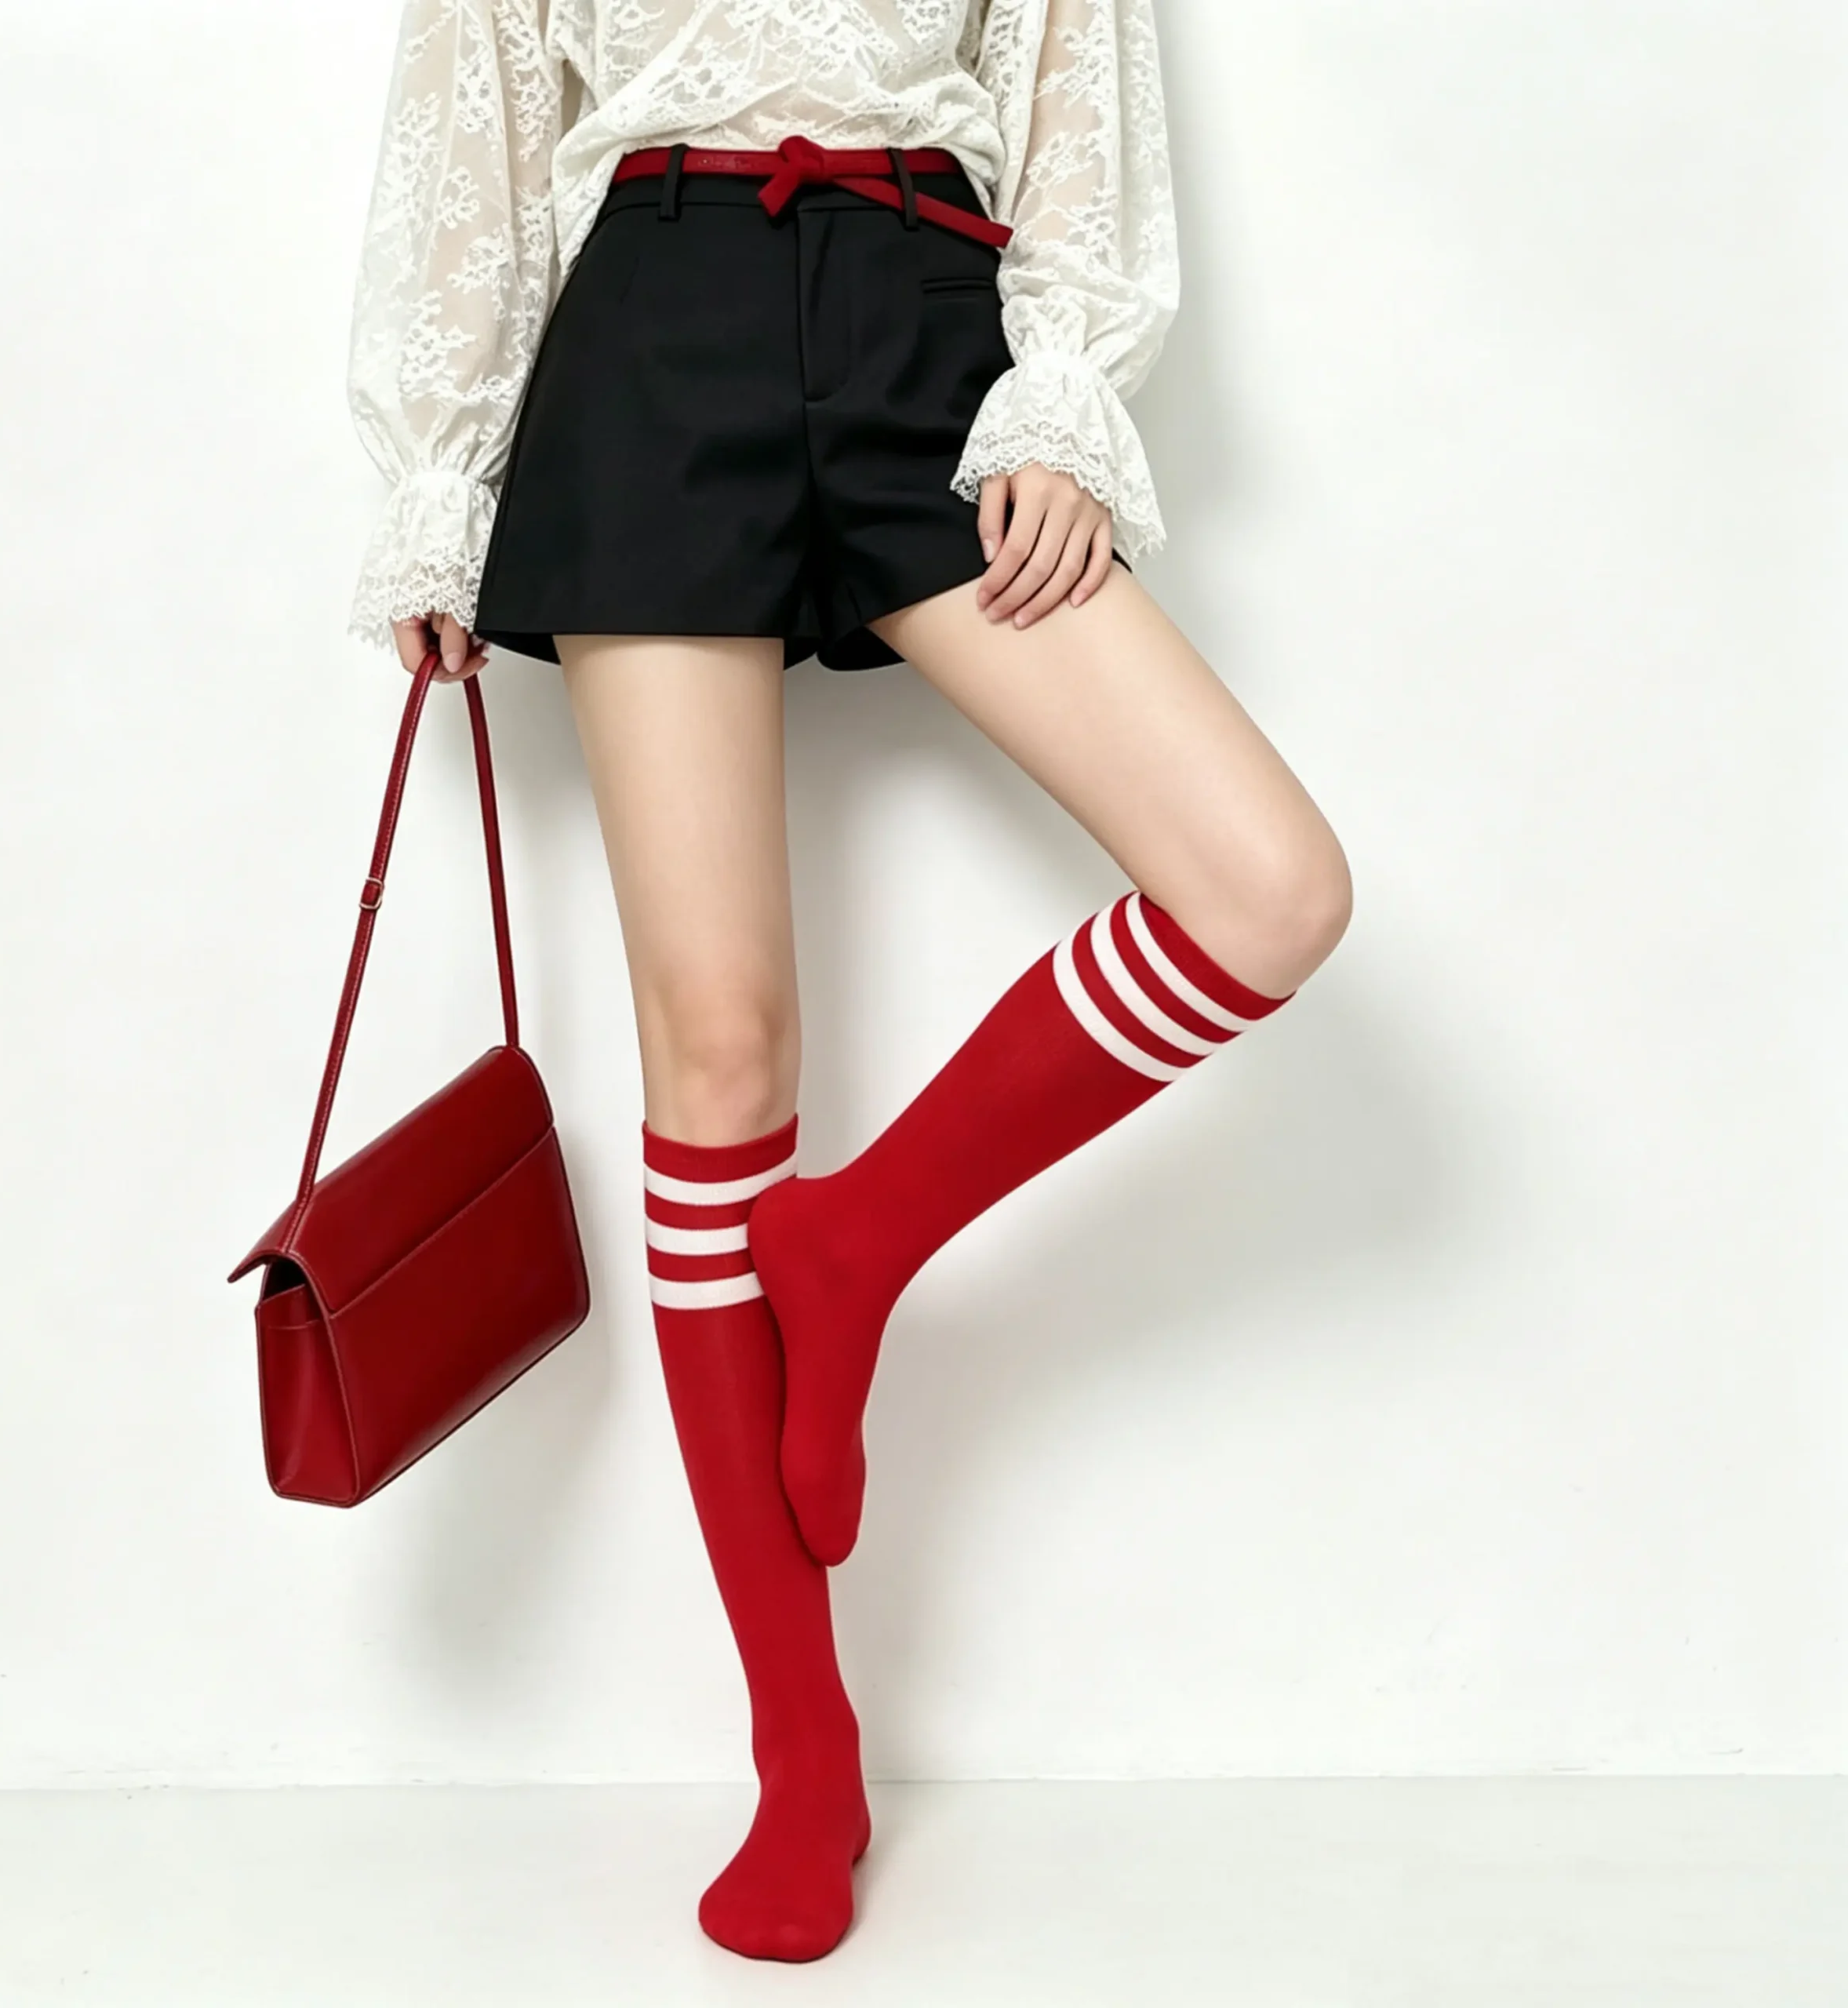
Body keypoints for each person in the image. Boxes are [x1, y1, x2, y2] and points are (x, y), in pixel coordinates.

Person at [343, 0, 1352, 1966]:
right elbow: (473, 113)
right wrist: (439, 472)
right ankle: (802, 1747)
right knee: (717, 1053)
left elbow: (1071, 83)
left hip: (926, 320)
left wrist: (1060, 387)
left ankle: (855, 1239)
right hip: (648, 329)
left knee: (1264, 888)